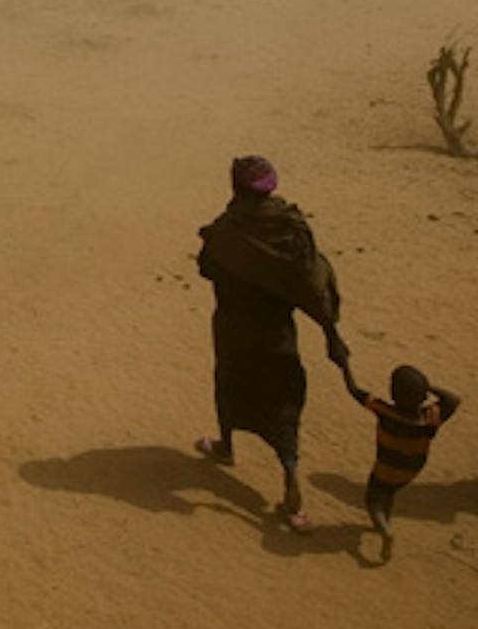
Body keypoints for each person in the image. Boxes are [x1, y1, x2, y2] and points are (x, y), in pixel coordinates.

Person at [193, 155, 348, 534]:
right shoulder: (292, 231)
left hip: (232, 330)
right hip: (277, 337)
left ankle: (226, 446)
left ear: (235, 188)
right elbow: (312, 287)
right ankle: (291, 483)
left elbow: (206, 266)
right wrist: (332, 335)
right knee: (283, 404)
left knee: (230, 386)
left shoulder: (225, 231)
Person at [339, 359, 461, 562]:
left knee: (374, 499)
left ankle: (384, 529)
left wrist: (345, 367)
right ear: (423, 396)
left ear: (394, 393)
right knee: (391, 491)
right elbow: (453, 400)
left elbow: (355, 390)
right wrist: (427, 386)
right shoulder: (430, 417)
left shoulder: (387, 413)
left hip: (386, 467)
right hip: (412, 470)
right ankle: (385, 519)